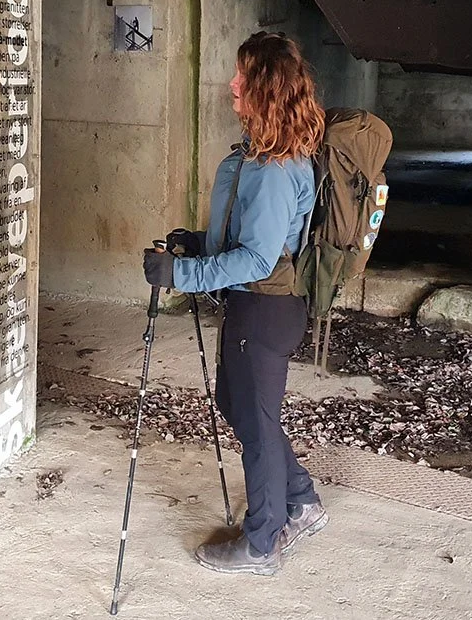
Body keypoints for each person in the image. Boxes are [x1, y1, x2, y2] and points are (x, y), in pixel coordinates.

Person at [143, 31, 329, 575]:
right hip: (256, 308)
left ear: (265, 89)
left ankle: (262, 543)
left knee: (257, 424)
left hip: (265, 310)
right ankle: (303, 501)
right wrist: (198, 244)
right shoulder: (260, 156)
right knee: (240, 406)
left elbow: (258, 259)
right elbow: (247, 237)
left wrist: (182, 274)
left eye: (243, 76)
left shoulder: (274, 169)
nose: (232, 83)